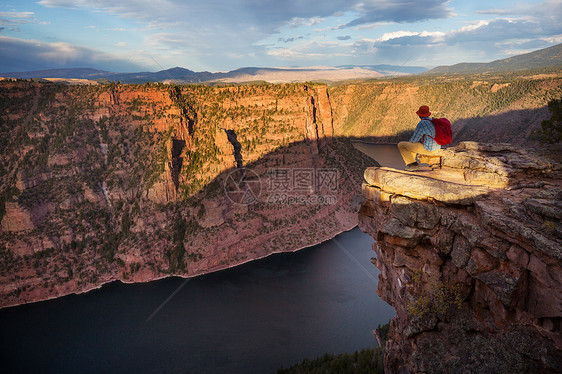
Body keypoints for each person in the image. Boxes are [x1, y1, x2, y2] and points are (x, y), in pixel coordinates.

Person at [398, 105, 440, 171]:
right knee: (413, 146)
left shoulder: (422, 123)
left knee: (401, 145)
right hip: (437, 147)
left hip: (429, 149)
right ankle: (412, 164)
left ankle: (412, 165)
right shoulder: (432, 121)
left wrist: (409, 145)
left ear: (419, 115)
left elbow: (414, 139)